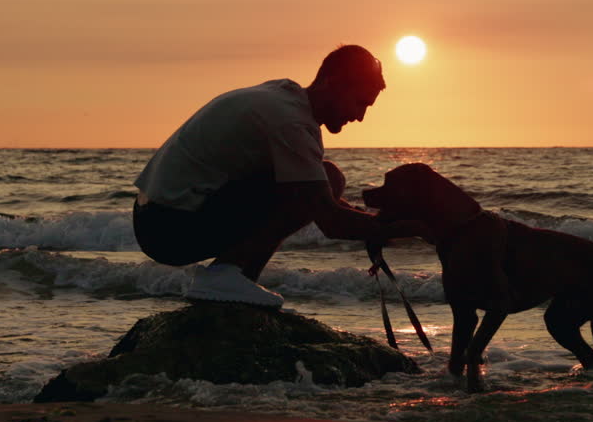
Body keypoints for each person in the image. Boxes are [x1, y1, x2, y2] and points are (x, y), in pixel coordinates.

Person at [132, 44, 414, 308]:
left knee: (322, 181)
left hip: (156, 215)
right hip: (168, 228)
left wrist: (370, 223)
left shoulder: (284, 98)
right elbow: (330, 221)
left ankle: (233, 280)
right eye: (359, 103)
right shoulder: (291, 122)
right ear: (333, 84)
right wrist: (415, 228)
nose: (360, 117)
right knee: (329, 179)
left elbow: (319, 202)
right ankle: (225, 277)